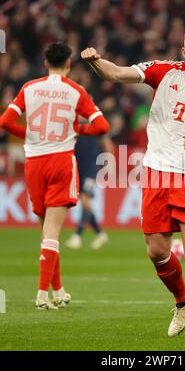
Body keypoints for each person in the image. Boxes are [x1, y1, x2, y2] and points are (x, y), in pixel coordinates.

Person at [81, 27, 185, 342]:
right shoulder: (163, 72)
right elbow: (116, 74)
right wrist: (95, 61)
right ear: (184, 51)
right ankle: (182, 301)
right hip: (156, 173)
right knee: (157, 251)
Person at [0, 42, 109, 309]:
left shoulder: (29, 88)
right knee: (52, 231)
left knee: (46, 230)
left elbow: (4, 122)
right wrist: (75, 130)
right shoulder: (75, 90)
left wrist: (31, 135)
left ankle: (58, 290)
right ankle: (40, 295)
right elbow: (101, 125)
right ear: (69, 64)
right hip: (61, 161)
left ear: (46, 64)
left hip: (34, 162)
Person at [65, 134, 113, 250]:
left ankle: (77, 235)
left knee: (85, 199)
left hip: (91, 168)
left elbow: (107, 143)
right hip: (77, 167)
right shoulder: (74, 121)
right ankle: (100, 234)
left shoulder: (95, 121)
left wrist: (109, 163)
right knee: (84, 201)